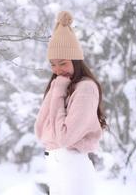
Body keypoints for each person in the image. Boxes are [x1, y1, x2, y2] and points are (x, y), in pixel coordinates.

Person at [34, 11, 107, 195]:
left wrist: (58, 91)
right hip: (55, 165)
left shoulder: (85, 88)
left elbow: (65, 139)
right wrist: (56, 91)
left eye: (63, 63)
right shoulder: (60, 85)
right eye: (53, 64)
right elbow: (40, 130)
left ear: (76, 60)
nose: (57, 70)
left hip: (72, 166)